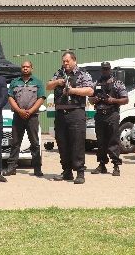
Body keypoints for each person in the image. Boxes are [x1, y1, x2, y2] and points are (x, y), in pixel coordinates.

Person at [46, 51, 94, 184]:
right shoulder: (59, 73)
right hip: (61, 113)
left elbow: (90, 90)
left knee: (77, 143)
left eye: (67, 61)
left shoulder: (82, 73)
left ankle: (80, 172)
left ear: (74, 61)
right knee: (62, 143)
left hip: (76, 112)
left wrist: (72, 90)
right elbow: (48, 86)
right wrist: (58, 81)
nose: (65, 63)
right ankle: (67, 171)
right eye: (63, 61)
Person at [4, 60, 45, 177]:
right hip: (18, 116)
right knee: (15, 143)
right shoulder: (14, 82)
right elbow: (10, 97)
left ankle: (37, 168)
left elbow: (41, 98)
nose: (25, 68)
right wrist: (19, 110)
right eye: (23, 67)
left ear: (32, 68)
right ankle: (11, 167)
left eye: (27, 67)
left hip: (32, 117)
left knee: (35, 143)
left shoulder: (38, 82)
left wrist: (30, 111)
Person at [89, 61, 128, 176]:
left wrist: (113, 100)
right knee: (100, 142)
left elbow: (125, 100)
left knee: (113, 141)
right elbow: (90, 98)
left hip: (112, 114)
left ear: (110, 70)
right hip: (100, 114)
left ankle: (116, 166)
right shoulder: (96, 83)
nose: (105, 71)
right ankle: (102, 165)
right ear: (101, 70)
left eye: (107, 69)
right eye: (103, 69)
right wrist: (94, 99)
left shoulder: (117, 83)